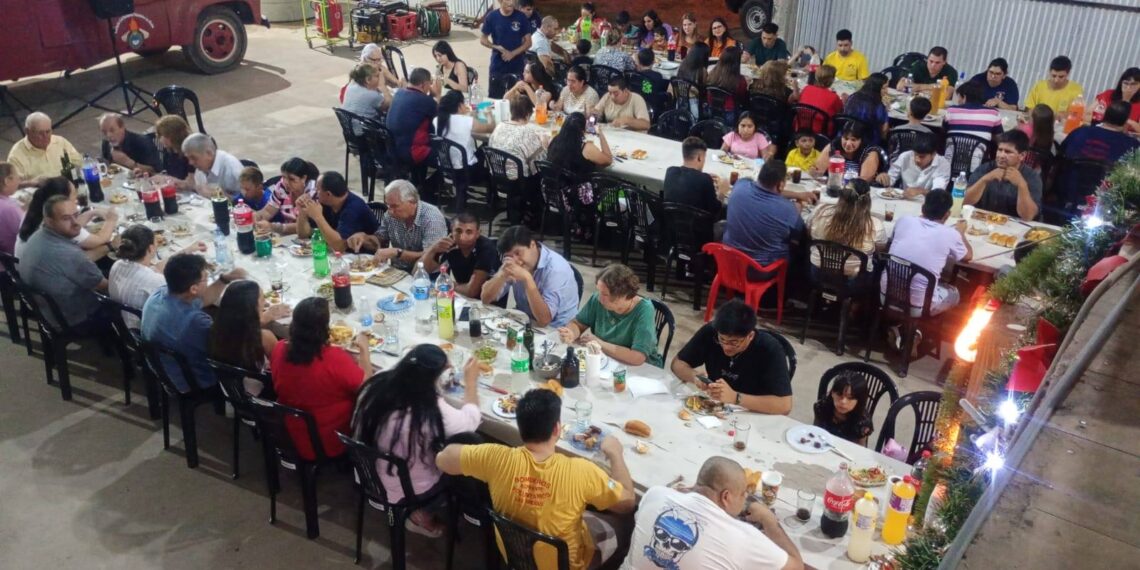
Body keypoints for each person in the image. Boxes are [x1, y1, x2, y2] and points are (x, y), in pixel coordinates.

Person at [435, 389, 636, 570]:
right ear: (557, 429)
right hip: (565, 565)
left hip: (515, 556)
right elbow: (627, 503)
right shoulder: (582, 471)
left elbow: (443, 460)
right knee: (622, 524)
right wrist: (615, 454)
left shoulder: (495, 458)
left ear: (520, 429)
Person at [352, 344, 482, 537]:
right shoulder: (429, 409)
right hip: (404, 486)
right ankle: (421, 515)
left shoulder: (376, 384)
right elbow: (470, 420)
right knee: (463, 456)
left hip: (366, 471)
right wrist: (471, 383)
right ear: (433, 379)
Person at [626, 456, 804, 570]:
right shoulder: (743, 538)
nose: (744, 499)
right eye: (743, 495)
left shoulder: (655, 494)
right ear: (726, 496)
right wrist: (769, 519)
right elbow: (796, 566)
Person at [271, 296, 371, 460]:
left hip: (289, 428)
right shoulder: (333, 358)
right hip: (329, 437)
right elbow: (366, 386)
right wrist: (364, 351)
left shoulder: (279, 348)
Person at [141, 253, 246, 391]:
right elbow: (226, 348)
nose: (207, 280)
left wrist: (224, 279)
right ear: (193, 288)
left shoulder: (161, 293)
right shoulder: (194, 322)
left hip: (162, 367)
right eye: (205, 278)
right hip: (189, 380)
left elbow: (202, 300)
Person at [671, 300, 793, 414]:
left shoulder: (769, 348)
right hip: (716, 408)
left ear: (750, 335)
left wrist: (736, 397)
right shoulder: (710, 332)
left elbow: (784, 405)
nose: (726, 347)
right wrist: (695, 377)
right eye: (722, 339)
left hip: (753, 413)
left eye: (734, 342)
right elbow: (677, 364)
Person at [17, 195, 108, 330]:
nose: (75, 223)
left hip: (45, 309)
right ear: (49, 221)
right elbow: (103, 286)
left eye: (76, 215)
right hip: (71, 318)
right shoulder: (69, 254)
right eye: (66, 218)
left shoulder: (38, 235)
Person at [883, 189, 971, 315]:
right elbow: (968, 256)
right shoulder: (951, 234)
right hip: (918, 308)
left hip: (885, 296)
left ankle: (900, 326)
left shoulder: (904, 220)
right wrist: (961, 233)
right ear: (947, 214)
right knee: (954, 292)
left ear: (923, 208)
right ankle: (925, 330)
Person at [558, 264, 663, 367]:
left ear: (623, 295)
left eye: (604, 294)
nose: (599, 298)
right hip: (606, 360)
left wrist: (600, 344)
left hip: (641, 369)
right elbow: (578, 323)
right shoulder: (597, 300)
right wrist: (571, 333)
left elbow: (637, 357)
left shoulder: (644, 310)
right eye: (599, 291)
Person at [481, 225, 579, 328]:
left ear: (532, 244)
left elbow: (544, 320)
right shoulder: (511, 263)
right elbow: (485, 299)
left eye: (518, 253)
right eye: (509, 256)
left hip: (557, 330)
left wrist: (527, 279)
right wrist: (501, 274)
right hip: (524, 322)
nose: (516, 261)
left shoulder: (557, 269)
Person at [110, 224, 204, 329]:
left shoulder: (117, 264)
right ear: (150, 248)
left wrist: (188, 250)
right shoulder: (154, 280)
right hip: (141, 332)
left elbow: (156, 268)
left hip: (119, 327)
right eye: (156, 242)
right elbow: (187, 302)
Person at [347, 180, 449, 271]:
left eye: (395, 206)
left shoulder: (431, 218)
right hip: (399, 270)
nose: (390, 211)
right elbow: (380, 239)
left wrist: (398, 253)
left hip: (427, 274)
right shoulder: (391, 215)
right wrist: (365, 238)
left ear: (412, 202)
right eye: (388, 205)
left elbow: (430, 256)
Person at [723, 160, 806, 269]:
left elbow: (756, 185)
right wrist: (797, 209)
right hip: (761, 270)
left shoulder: (740, 186)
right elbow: (799, 234)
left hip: (728, 260)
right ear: (781, 185)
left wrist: (796, 195)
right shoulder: (788, 210)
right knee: (800, 249)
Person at [14, 177, 117, 261]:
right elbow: (100, 240)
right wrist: (111, 220)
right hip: (44, 279)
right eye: (73, 194)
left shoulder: (35, 209)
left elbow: (71, 224)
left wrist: (92, 213)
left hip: (24, 269)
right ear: (62, 199)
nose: (76, 197)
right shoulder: (55, 224)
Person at [808, 182, 886, 280]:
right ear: (867, 201)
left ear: (841, 196)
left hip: (818, 274)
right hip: (854, 281)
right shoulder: (875, 225)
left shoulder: (820, 212)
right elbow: (880, 249)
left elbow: (808, 232)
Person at [210, 279, 290, 374]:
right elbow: (282, 367)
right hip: (263, 385)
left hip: (231, 385)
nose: (265, 302)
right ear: (254, 307)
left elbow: (242, 327)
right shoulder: (264, 338)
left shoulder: (215, 329)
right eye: (262, 298)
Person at [433, 90, 495, 209]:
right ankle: (492, 200)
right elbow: (491, 128)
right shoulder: (465, 121)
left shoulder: (437, 120)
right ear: (460, 105)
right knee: (487, 147)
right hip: (468, 171)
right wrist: (489, 114)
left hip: (446, 167)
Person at [965, 130, 1043, 220]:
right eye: (1000, 150)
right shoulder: (985, 168)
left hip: (1016, 227)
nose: (1001, 155)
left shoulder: (1032, 177)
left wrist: (1022, 185)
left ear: (1022, 155)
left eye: (1008, 152)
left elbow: (1028, 216)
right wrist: (984, 179)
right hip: (984, 222)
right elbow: (964, 202)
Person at [422, 213, 501, 299]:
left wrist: (448, 284)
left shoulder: (486, 248)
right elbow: (420, 271)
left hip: (490, 301)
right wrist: (433, 249)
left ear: (478, 234)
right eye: (458, 231)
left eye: (469, 232)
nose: (462, 237)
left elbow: (472, 291)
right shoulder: (449, 243)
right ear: (452, 231)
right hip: (463, 297)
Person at [295, 171, 379, 252]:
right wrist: (303, 211)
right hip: (339, 253)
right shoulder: (325, 203)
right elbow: (303, 235)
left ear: (328, 194)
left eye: (318, 190)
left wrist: (318, 217)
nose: (315, 193)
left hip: (364, 255)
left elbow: (339, 246)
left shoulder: (353, 208)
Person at [1060, 101, 1140, 185]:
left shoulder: (1080, 131)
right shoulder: (1132, 145)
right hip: (1103, 193)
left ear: (1104, 116)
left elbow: (1061, 154)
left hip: (1068, 187)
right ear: (1126, 121)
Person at [487, 93, 550, 179]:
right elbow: (537, 163)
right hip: (519, 181)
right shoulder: (528, 132)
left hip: (496, 173)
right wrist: (545, 145)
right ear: (528, 115)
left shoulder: (499, 125)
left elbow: (490, 145)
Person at [6, 112, 81, 184]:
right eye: (40, 133)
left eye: (48, 131)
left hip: (67, 189)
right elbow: (12, 184)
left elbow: (79, 163)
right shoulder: (16, 155)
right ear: (27, 131)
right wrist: (32, 183)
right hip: (39, 194)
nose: (45, 136)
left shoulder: (60, 142)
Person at [386, 68, 439, 167]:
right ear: (423, 84)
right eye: (429, 84)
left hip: (393, 148)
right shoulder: (425, 101)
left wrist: (431, 96)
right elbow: (440, 119)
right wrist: (437, 95)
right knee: (448, 152)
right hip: (412, 152)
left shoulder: (399, 93)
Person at [480, 0, 532, 99]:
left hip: (517, 66)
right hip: (497, 66)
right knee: (495, 100)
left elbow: (528, 42)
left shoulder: (521, 17)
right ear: (500, 1)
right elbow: (483, 39)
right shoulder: (492, 17)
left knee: (517, 100)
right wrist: (496, 47)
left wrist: (512, 54)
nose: (511, 2)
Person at [665, 137, 730, 215]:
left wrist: (703, 177)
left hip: (669, 221)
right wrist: (722, 192)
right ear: (699, 157)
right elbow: (715, 211)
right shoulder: (705, 179)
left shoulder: (670, 171)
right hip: (696, 225)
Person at [879, 134, 952, 197]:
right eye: (915, 155)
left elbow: (937, 193)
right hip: (904, 199)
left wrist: (921, 191)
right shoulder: (905, 156)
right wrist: (883, 178)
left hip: (927, 204)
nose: (917, 159)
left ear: (933, 154)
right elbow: (891, 179)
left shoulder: (943, 164)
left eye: (922, 157)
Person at [546, 112, 612, 180]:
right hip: (576, 188)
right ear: (583, 131)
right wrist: (600, 134)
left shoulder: (554, 139)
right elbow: (608, 160)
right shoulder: (586, 148)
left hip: (554, 186)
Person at [813, 372, 874, 446]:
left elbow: (860, 450)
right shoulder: (821, 407)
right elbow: (814, 434)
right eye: (839, 394)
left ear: (859, 400)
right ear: (832, 393)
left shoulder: (863, 422)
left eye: (850, 398)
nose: (843, 402)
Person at [813, 123, 885, 183]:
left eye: (853, 140)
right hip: (833, 186)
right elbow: (818, 172)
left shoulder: (870, 152)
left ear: (861, 141)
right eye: (846, 138)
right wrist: (814, 172)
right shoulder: (833, 146)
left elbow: (863, 181)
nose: (848, 144)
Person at [258, 157, 320, 226]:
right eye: (284, 177)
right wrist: (255, 218)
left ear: (304, 178)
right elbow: (268, 211)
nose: (286, 182)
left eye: (291, 179)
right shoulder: (281, 188)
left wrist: (274, 227)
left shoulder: (314, 192)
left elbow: (309, 226)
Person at [182, 133, 244, 200]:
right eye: (188, 158)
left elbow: (250, 204)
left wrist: (220, 196)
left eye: (193, 157)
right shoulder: (201, 169)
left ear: (209, 153)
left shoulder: (232, 168)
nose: (190, 162)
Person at [842, 72, 890, 145]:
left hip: (847, 135)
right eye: (884, 88)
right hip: (868, 141)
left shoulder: (853, 97)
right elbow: (884, 130)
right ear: (876, 87)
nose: (886, 91)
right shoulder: (878, 106)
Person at [795, 64, 843, 133]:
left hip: (800, 126)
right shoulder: (834, 97)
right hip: (821, 130)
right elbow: (840, 111)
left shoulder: (806, 88)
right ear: (832, 80)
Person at [150, 115, 194, 189]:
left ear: (172, 136)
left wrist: (168, 179)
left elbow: (191, 184)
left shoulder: (190, 152)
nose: (160, 139)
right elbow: (167, 172)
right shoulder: (169, 150)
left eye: (161, 135)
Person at [706, 46, 749, 122]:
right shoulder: (739, 80)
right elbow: (743, 96)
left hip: (711, 108)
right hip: (729, 112)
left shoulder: (712, 73)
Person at [1094, 68, 1140, 133]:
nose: (1129, 87)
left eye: (1134, 84)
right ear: (1121, 83)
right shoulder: (1109, 94)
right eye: (1126, 83)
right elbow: (1088, 113)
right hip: (1101, 130)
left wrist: (1128, 121)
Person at [0, 163, 23, 259]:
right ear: (7, 180)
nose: (19, 180)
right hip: (11, 263)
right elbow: (28, 235)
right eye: (17, 177)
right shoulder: (10, 209)